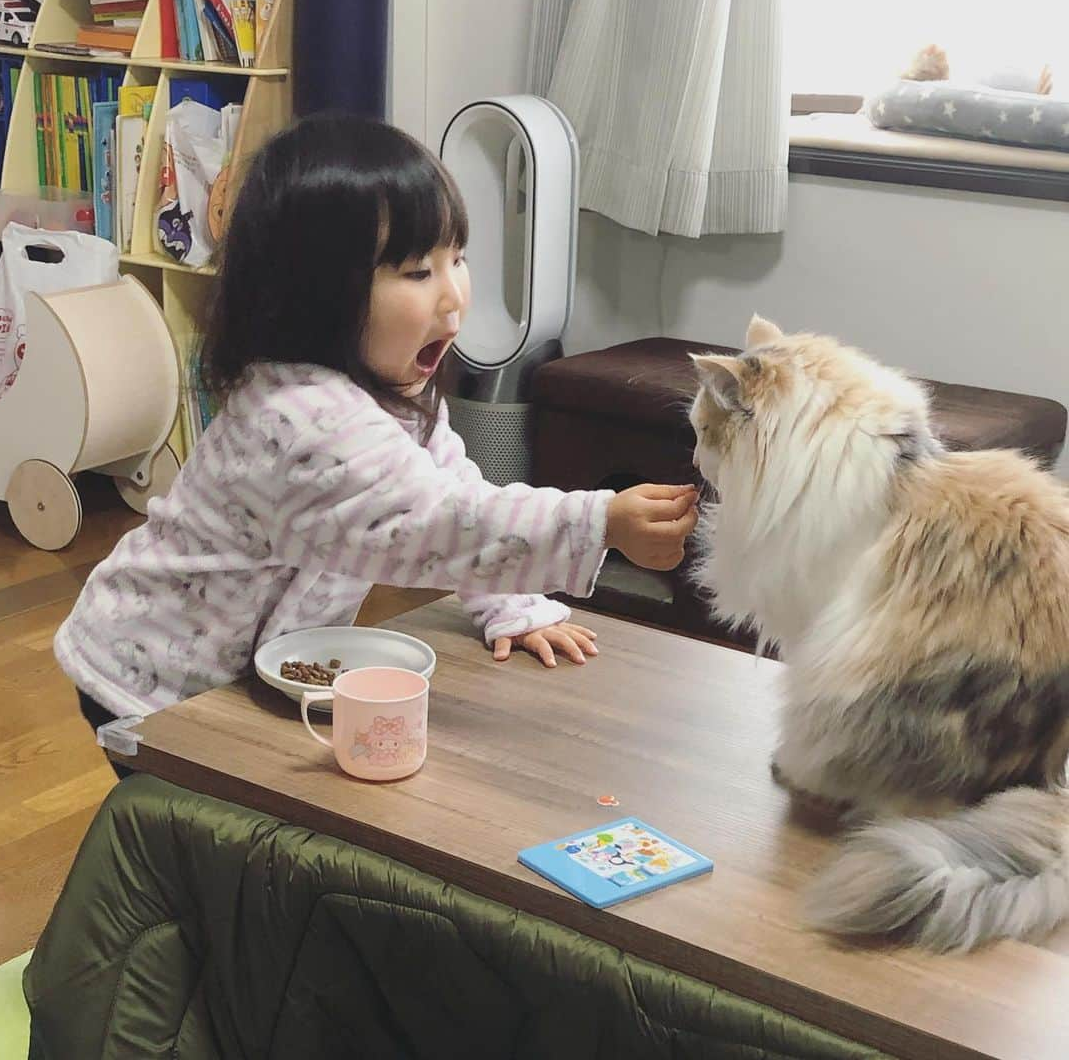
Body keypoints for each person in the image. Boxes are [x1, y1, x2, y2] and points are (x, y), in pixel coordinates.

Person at [54, 113, 698, 775]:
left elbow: (453, 490)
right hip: (149, 679)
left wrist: (509, 604)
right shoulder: (300, 419)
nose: (455, 296)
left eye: (459, 258)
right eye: (419, 271)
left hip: (243, 664)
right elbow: (435, 525)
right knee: (186, 829)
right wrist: (598, 523)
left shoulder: (391, 385)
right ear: (315, 295)